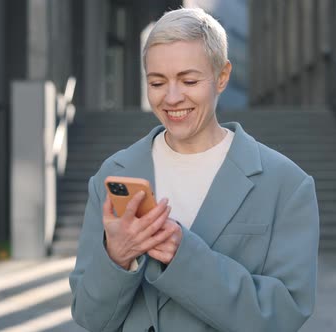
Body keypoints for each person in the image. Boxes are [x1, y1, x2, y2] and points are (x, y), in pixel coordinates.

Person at [70, 7, 319, 332]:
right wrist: (117, 258)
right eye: (157, 82)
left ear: (223, 76)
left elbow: (283, 316)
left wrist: (184, 257)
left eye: (189, 80)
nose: (172, 98)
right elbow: (90, 317)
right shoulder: (113, 174)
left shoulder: (286, 184)